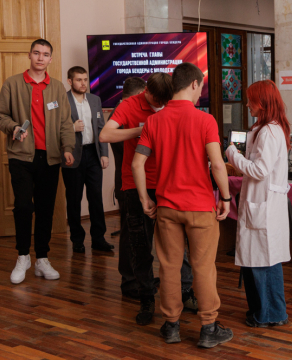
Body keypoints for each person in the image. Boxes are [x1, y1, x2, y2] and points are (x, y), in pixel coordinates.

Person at [132, 63, 233, 349]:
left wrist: (144, 198)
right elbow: (217, 165)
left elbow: (137, 164)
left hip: (166, 208)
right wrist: (226, 199)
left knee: (168, 268)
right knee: (203, 268)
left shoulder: (154, 122)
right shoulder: (205, 120)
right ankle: (208, 327)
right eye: (201, 87)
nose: (200, 92)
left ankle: (171, 326)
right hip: (200, 208)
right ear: (193, 84)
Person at [100, 73, 195, 326]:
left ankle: (186, 292)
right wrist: (141, 131)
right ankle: (146, 298)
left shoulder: (171, 103)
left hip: (168, 182)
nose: (160, 106)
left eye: (165, 102)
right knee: (140, 245)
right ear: (147, 92)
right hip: (135, 185)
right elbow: (105, 135)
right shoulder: (129, 105)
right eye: (156, 101)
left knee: (177, 243)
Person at [0, 39, 75, 284]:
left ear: (51, 59)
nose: (41, 58)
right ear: (29, 55)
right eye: (37, 53)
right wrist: (14, 127)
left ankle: (42, 258)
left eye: (45, 54)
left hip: (49, 158)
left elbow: (65, 122)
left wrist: (68, 147)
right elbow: (1, 116)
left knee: (45, 208)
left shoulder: (57, 87)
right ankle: (22, 257)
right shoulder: (12, 84)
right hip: (21, 156)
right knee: (23, 206)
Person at [225, 80, 291, 328]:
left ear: (262, 103)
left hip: (264, 206)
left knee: (264, 263)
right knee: (256, 262)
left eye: (250, 100)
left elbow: (260, 170)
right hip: (260, 204)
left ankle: (271, 314)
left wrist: (233, 154)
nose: (247, 104)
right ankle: (260, 311)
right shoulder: (265, 129)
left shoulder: (269, 132)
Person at [61, 66, 113, 253]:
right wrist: (71, 128)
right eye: (79, 80)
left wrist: (104, 153)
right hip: (72, 154)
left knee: (96, 198)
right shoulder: (62, 100)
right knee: (74, 199)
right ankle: (77, 240)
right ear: (70, 81)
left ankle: (99, 239)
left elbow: (101, 128)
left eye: (85, 79)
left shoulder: (94, 99)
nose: (83, 83)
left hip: (93, 154)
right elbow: (53, 128)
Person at [110, 77, 147, 298]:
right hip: (127, 182)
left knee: (136, 233)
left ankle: (138, 277)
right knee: (129, 234)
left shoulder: (122, 111)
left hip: (132, 181)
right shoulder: (121, 113)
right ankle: (130, 281)